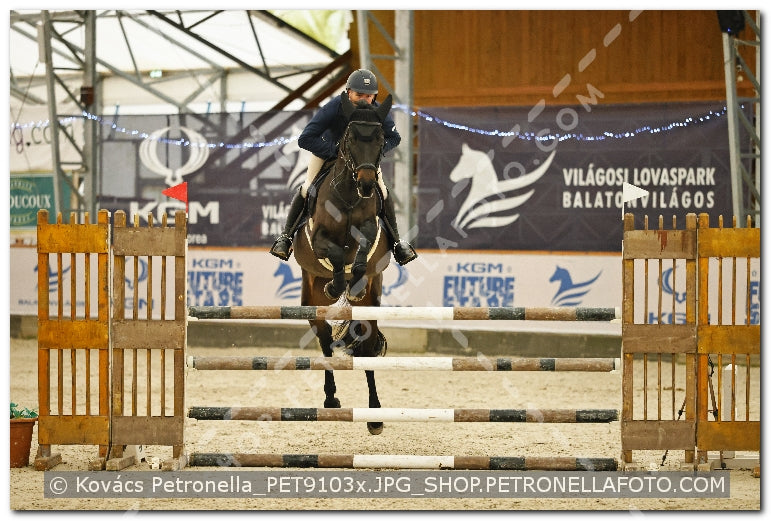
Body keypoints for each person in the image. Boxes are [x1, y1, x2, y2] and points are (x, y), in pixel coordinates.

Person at [270, 68, 418, 266]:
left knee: (382, 191)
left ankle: (397, 243)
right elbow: (306, 138)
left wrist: (373, 152)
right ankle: (286, 237)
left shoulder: (377, 111)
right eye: (359, 95)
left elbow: (394, 138)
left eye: (369, 96)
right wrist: (334, 152)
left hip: (362, 161)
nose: (365, 100)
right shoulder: (334, 107)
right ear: (348, 92)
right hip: (327, 154)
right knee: (307, 188)